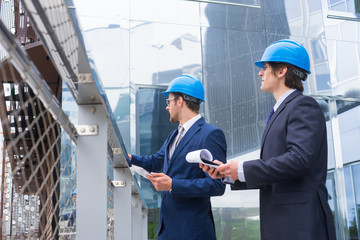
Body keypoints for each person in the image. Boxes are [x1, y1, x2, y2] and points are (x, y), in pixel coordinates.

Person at [201, 39, 336, 240]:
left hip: (300, 225)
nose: (260, 73)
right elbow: (275, 173)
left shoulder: (302, 106)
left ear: (281, 71)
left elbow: (298, 160)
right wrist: (229, 174)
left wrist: (242, 168)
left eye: (265, 67)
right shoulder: (280, 111)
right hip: (282, 223)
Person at [128, 74, 227, 240]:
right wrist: (130, 158)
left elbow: (217, 185)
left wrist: (173, 184)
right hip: (167, 230)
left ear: (180, 101)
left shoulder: (210, 134)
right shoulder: (173, 136)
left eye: (169, 101)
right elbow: (154, 162)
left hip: (192, 231)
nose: (167, 107)